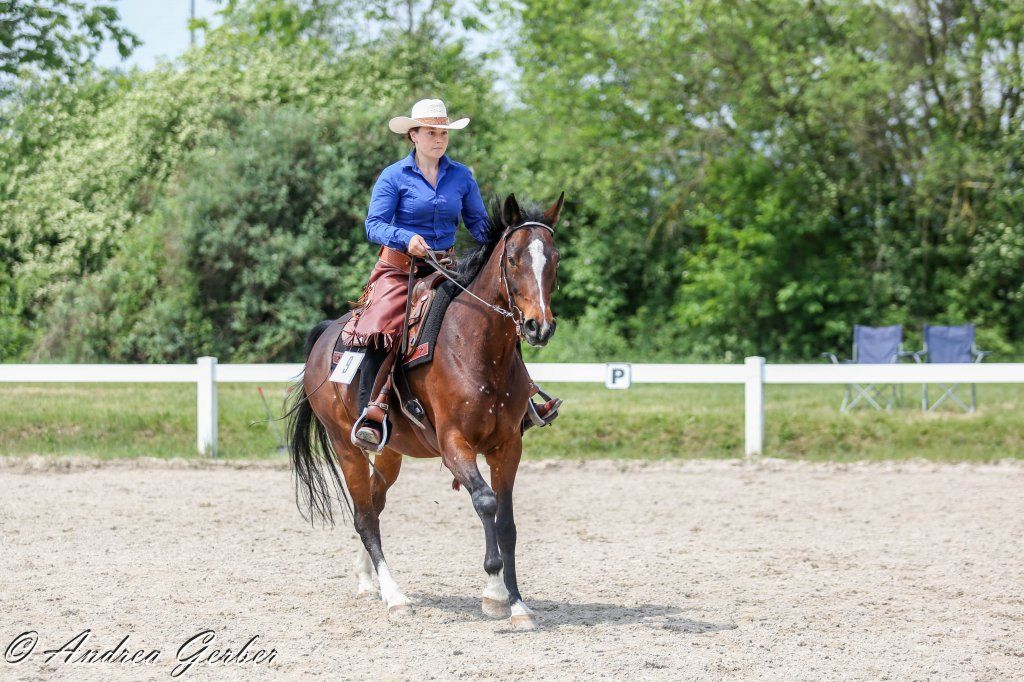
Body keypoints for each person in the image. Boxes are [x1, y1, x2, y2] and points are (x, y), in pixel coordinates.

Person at [343, 98, 558, 448]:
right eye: (431, 132)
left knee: (495, 314)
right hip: (400, 268)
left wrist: (509, 239)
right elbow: (374, 225)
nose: (438, 139)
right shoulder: (393, 176)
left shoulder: (461, 176)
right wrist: (405, 238)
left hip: (448, 267)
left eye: (443, 132)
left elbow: (477, 224)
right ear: (413, 135)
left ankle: (525, 397)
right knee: (382, 325)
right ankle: (374, 409)